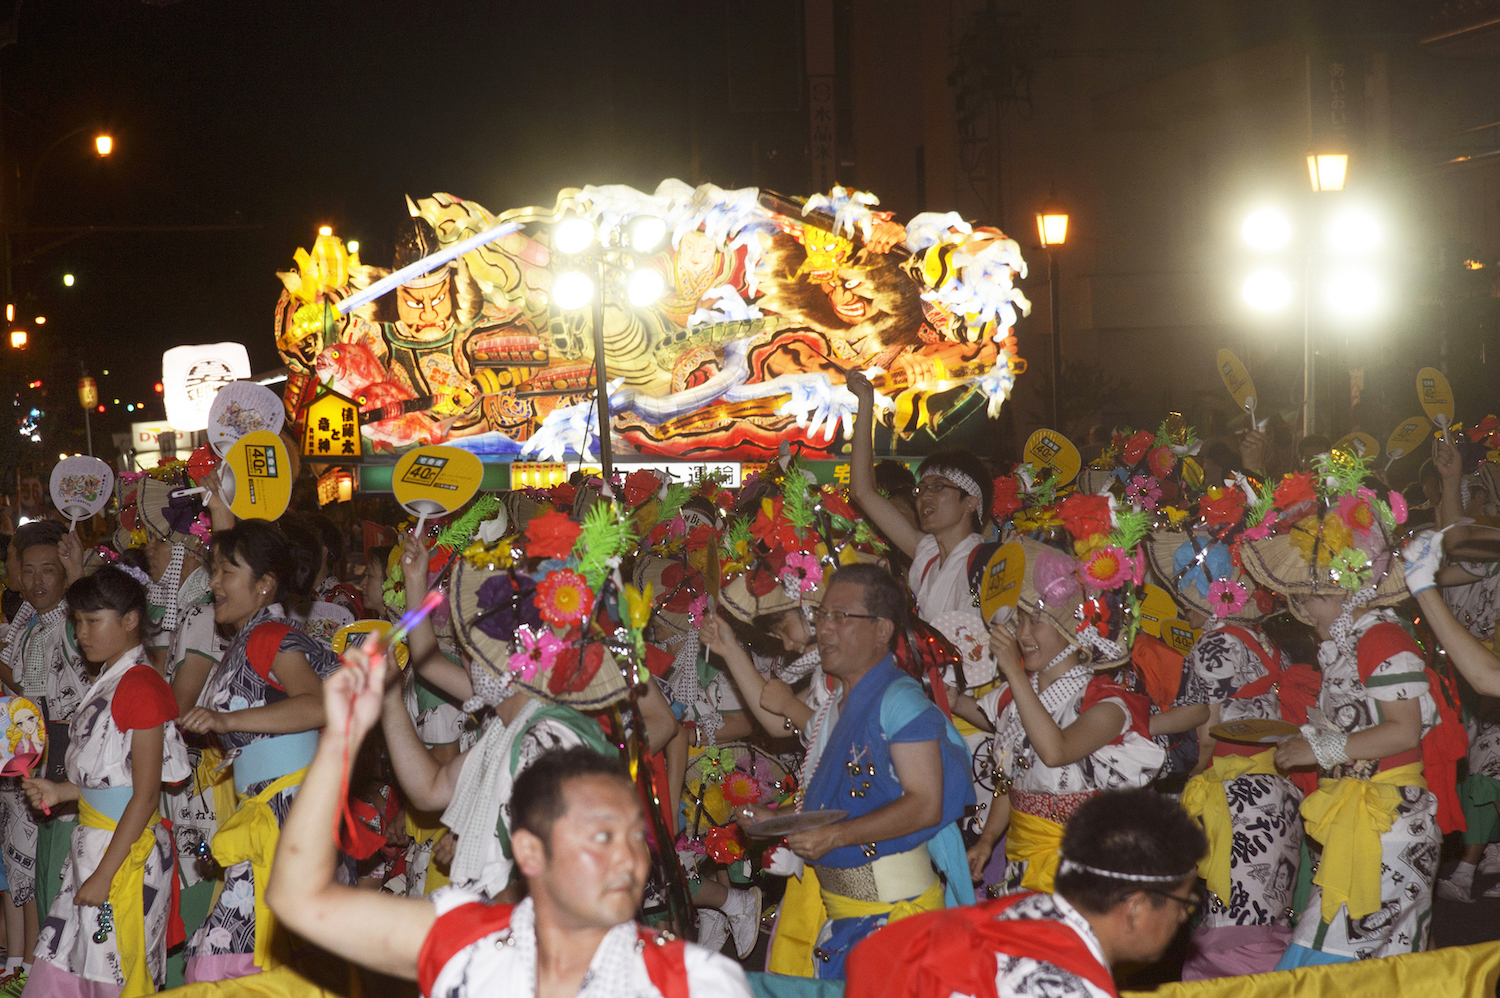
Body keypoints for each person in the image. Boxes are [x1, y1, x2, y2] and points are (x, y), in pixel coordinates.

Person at [265, 657, 753, 997]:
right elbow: (298, 898)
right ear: (529, 851)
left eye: (634, 836)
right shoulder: (472, 946)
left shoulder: (693, 980)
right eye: (602, 837)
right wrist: (342, 737)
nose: (629, 859)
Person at [1239, 462, 1460, 968]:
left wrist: (1318, 748)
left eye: (1309, 593)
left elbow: (1402, 730)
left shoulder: (1381, 639)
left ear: (1340, 592)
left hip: (1385, 827)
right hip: (1368, 822)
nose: (1299, 604)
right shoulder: (1354, 641)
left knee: (1322, 972)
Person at [734, 563, 975, 980]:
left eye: (841, 617)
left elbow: (925, 805)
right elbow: (837, 805)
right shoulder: (834, 708)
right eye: (822, 615)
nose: (825, 629)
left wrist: (836, 836)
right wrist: (777, 821)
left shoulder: (901, 702)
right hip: (845, 919)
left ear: (882, 629)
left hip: (895, 922)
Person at [1144, 526, 1314, 978]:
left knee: (1232, 943)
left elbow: (1208, 738)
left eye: (1184, 587)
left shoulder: (1214, 645)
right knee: (1263, 929)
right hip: (1276, 795)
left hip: (1241, 806)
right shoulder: (1263, 643)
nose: (1179, 600)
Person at [845, 788, 1208, 998]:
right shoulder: (1071, 988)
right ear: (1135, 907)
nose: (1182, 917)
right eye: (1183, 903)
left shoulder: (1028, 907)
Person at [178, 520, 342, 982]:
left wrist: (227, 721)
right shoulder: (248, 637)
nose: (214, 583)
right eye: (214, 570)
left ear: (265, 584)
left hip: (287, 817)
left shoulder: (268, 636)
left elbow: (318, 704)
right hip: (272, 814)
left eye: (226, 572)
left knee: (223, 960)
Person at [955, 538, 1161, 898]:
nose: (1022, 634)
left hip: (1084, 867)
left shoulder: (1108, 703)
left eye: (1034, 621)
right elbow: (1012, 776)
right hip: (1022, 860)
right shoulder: (1017, 697)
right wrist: (988, 839)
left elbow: (1055, 751)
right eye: (1018, 621)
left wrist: (1014, 675)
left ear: (1071, 628)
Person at [20, 567, 190, 997]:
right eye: (77, 621)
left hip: (121, 858)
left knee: (105, 977)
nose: (82, 632)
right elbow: (115, 777)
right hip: (95, 849)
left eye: (93, 620)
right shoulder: (111, 681)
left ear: (131, 620)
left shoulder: (141, 688)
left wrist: (104, 874)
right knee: (59, 970)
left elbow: (146, 794)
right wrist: (62, 791)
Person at [0, 521, 90, 981]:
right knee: (37, 872)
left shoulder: (77, 622)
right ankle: (34, 969)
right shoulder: (32, 622)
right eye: (29, 571)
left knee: (62, 875)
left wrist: (79, 579)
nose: (37, 581)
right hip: (38, 758)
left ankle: (47, 971)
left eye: (48, 571)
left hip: (69, 759)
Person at [847, 369, 992, 622]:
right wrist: (865, 402)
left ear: (971, 502)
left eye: (938, 487)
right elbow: (863, 491)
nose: (925, 496)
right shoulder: (928, 556)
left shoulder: (987, 564)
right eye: (921, 488)